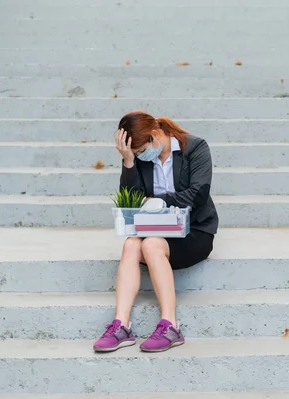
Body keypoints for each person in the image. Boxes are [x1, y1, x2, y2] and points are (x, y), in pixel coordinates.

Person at [93, 110, 219, 353]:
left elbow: (199, 194)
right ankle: (121, 325)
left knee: (150, 243)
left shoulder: (195, 148)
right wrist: (129, 162)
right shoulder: (139, 160)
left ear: (155, 135)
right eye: (136, 154)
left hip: (195, 232)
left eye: (140, 152)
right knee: (131, 244)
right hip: (157, 229)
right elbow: (134, 200)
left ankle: (171, 325)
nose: (142, 157)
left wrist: (158, 200)